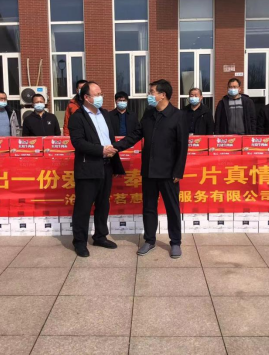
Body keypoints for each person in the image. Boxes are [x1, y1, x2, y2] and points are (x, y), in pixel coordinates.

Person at [114, 80, 188, 259]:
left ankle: (175, 242)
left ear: (163, 95)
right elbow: (135, 135)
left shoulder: (178, 116)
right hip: (148, 170)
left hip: (169, 172)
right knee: (149, 207)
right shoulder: (148, 114)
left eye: (152, 92)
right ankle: (149, 240)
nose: (149, 95)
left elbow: (182, 146)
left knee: (172, 208)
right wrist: (115, 147)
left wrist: (178, 171)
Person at [68, 82, 125, 257]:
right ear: (87, 97)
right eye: (97, 94)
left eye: (101, 93)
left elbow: (110, 138)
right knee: (83, 206)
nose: (101, 97)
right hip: (88, 167)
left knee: (103, 203)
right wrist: (101, 150)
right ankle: (79, 242)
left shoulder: (105, 114)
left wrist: (114, 161)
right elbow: (78, 142)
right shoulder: (77, 117)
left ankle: (100, 236)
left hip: (106, 166)